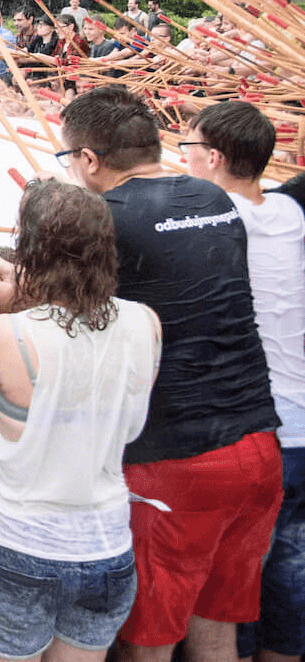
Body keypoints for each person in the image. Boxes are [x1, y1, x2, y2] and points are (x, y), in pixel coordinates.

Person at [58, 86, 281, 662]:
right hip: (257, 443)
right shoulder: (213, 199)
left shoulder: (104, 217)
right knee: (216, 630)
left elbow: (61, 321)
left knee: (149, 639)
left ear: (88, 158)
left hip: (176, 458)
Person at [0, 180, 161, 662]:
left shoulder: (6, 335)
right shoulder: (146, 323)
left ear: (29, 250)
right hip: (107, 544)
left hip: (21, 543)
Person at [181, 101, 305, 662]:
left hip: (258, 426)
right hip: (300, 421)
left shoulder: (218, 218)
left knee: (238, 570)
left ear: (213, 157)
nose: (180, 158)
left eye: (188, 147)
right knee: (292, 556)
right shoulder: (289, 213)